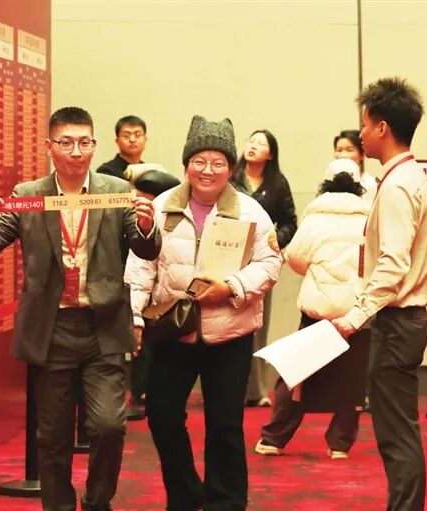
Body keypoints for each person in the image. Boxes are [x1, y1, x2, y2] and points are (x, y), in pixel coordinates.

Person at [0, 106, 161, 511]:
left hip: (103, 326)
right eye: (67, 143)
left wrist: (146, 227)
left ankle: (96, 501)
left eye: (84, 143)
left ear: (94, 145)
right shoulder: (28, 195)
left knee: (108, 425)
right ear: (50, 146)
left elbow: (144, 247)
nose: (76, 151)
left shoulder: (115, 191)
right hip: (52, 328)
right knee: (52, 435)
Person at [125, 115, 282, 511]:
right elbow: (141, 265)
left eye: (218, 162)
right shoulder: (162, 206)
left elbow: (270, 265)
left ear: (231, 167)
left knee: (225, 424)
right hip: (172, 331)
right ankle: (185, 493)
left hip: (229, 333)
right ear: (186, 164)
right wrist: (135, 316)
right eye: (199, 161)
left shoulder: (250, 212)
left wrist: (232, 288)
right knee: (161, 416)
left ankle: (225, 501)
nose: (207, 170)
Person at [332, 77, 427, 511]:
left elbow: (393, 263)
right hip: (401, 321)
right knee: (398, 433)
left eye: (364, 124)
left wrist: (355, 317)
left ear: (382, 128)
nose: (360, 134)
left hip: (397, 322)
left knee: (397, 437)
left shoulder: (396, 185)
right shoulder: (408, 175)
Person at [255, 158, 369, 460]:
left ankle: (273, 439)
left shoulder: (315, 215)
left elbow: (295, 258)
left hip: (318, 310)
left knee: (296, 376)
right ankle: (339, 445)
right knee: (352, 381)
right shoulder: (370, 216)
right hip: (357, 312)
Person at [231, 129, 297, 407]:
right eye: (251, 141)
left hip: (261, 261)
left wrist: (271, 243)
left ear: (270, 154)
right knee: (228, 324)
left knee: (258, 325)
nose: (253, 146)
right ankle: (229, 388)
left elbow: (290, 222)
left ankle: (255, 391)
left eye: (261, 143)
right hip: (230, 258)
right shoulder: (231, 178)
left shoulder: (277, 183)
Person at [126, 169, 182, 421]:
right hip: (132, 289)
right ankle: (138, 392)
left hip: (162, 300)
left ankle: (144, 393)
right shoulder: (126, 217)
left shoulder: (170, 220)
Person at [96, 115, 147, 180]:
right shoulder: (106, 171)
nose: (132, 140)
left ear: (145, 139)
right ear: (117, 141)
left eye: (138, 135)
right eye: (126, 135)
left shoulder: (148, 171)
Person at [333, 129, 378, 201]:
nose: (342, 155)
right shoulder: (330, 182)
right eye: (339, 150)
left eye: (349, 150)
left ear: (362, 154)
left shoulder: (371, 185)